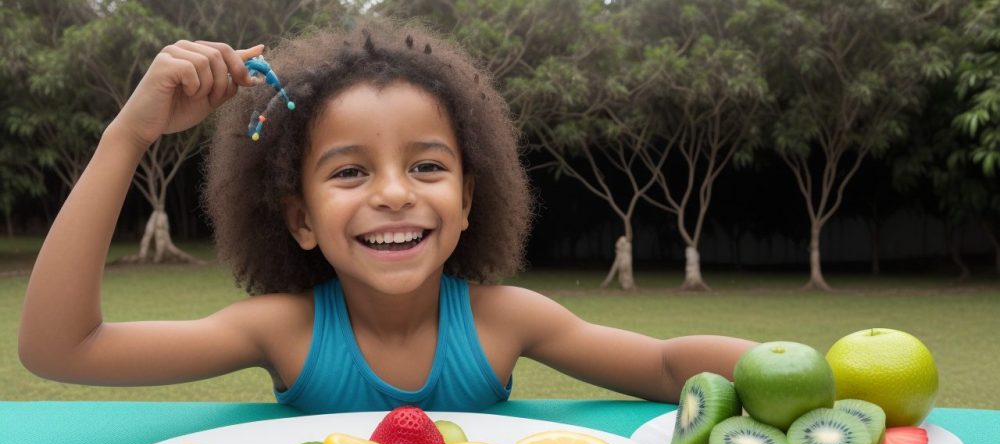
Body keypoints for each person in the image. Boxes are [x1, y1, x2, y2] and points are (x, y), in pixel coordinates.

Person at [18, 21, 755, 414]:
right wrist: (128, 136)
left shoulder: (507, 320)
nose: (395, 192)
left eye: (428, 166)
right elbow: (63, 349)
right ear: (300, 220)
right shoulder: (283, 330)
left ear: (468, 202)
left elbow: (664, 366)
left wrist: (817, 373)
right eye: (349, 172)